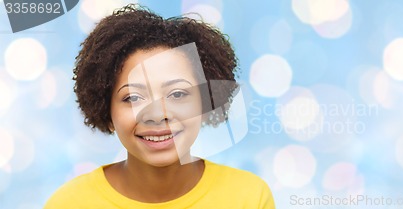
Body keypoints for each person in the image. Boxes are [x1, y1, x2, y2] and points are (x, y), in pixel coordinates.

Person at [44, 4, 275, 209]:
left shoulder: (249, 198)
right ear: (106, 110)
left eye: (177, 94)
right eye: (133, 98)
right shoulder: (69, 203)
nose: (157, 115)